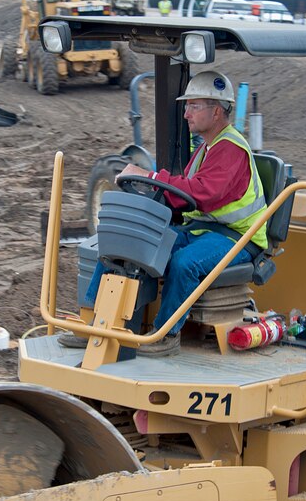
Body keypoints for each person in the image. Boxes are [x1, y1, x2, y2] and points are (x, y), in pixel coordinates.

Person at [61, 71, 268, 356]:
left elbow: (202, 193)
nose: (186, 114)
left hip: (237, 238)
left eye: (194, 106)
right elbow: (189, 192)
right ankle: (95, 324)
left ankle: (166, 334)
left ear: (217, 110)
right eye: (187, 106)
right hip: (204, 230)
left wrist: (151, 174)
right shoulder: (207, 147)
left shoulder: (230, 149)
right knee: (125, 242)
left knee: (184, 263)